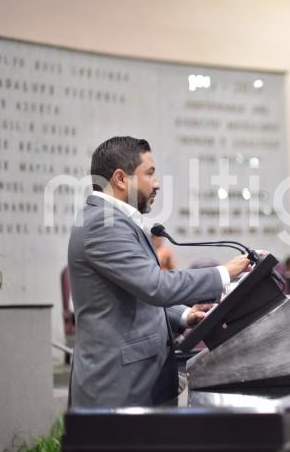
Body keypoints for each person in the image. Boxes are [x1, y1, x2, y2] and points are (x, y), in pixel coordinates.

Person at [67, 136, 253, 407]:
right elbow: (156, 286)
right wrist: (224, 272)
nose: (157, 183)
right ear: (121, 179)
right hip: (118, 388)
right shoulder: (103, 225)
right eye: (150, 173)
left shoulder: (115, 220)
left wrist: (185, 315)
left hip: (136, 382)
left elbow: (135, 294)